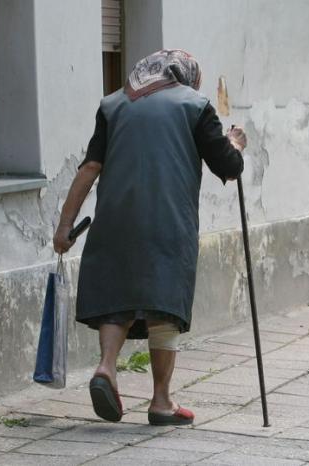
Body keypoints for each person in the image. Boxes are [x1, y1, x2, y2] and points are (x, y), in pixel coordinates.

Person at [53, 49, 246, 426]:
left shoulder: (113, 105)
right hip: (168, 219)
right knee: (164, 304)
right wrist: (235, 143)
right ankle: (161, 401)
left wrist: (65, 227)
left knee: (117, 297)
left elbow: (90, 167)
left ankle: (106, 367)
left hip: (115, 217)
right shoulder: (195, 105)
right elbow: (228, 166)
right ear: (184, 76)